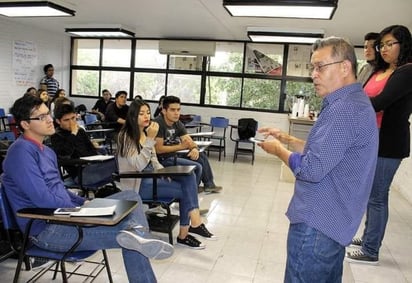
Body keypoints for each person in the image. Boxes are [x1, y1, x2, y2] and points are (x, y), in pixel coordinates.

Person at [1, 95, 174, 283]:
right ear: (25, 124)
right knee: (130, 236)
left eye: (48, 114)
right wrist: (80, 211)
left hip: (66, 218)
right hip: (47, 230)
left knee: (132, 197)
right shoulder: (20, 152)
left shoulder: (47, 152)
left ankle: (140, 235)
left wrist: (84, 202)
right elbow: (43, 199)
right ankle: (140, 236)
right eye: (41, 117)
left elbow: (59, 190)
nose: (50, 120)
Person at [257, 37, 378, 282]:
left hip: (317, 224)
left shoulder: (344, 109)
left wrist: (279, 150)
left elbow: (311, 168)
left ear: (345, 67)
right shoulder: (352, 103)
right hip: (333, 222)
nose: (313, 74)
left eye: (320, 67)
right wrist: (288, 139)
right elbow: (327, 153)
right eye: (313, 68)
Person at [346, 25, 412, 264]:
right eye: (381, 45)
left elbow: (380, 102)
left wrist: (349, 98)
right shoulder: (383, 70)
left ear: (403, 44)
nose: (383, 49)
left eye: (389, 44)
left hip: (390, 143)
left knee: (377, 196)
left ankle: (371, 249)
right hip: (372, 140)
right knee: (370, 194)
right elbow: (366, 96)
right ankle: (366, 239)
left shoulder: (406, 72)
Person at [117, 100, 216, 249]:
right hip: (138, 184)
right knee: (186, 190)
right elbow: (138, 165)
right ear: (132, 116)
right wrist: (150, 140)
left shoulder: (144, 132)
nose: (146, 116)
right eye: (141, 113)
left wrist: (163, 171)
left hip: (152, 177)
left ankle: (191, 227)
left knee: (188, 176)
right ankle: (187, 231)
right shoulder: (126, 136)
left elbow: (154, 159)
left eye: (148, 113)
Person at [153, 96, 222, 193]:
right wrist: (180, 147)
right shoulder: (158, 123)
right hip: (163, 159)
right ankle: (191, 192)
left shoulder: (177, 123)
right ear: (164, 111)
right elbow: (158, 149)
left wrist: (194, 148)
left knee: (201, 155)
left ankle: (208, 185)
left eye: (178, 110)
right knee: (197, 166)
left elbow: (188, 140)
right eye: (172, 110)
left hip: (174, 155)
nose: (176, 113)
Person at [50, 103, 115, 188]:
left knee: (120, 162)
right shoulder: (56, 135)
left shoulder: (80, 131)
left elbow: (92, 151)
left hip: (93, 166)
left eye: (73, 118)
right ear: (58, 121)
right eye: (66, 120)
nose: (71, 122)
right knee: (119, 164)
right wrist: (73, 133)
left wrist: (101, 158)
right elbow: (65, 154)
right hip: (80, 174)